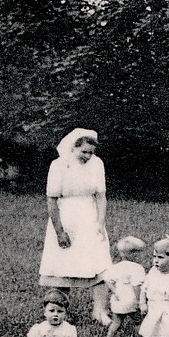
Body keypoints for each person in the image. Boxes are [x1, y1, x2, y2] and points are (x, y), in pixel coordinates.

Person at [39, 129, 113, 320]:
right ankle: (60, 310)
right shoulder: (59, 165)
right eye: (84, 152)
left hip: (89, 216)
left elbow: (101, 196)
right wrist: (59, 231)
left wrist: (100, 222)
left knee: (99, 262)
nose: (88, 156)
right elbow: (51, 200)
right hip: (67, 216)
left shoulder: (97, 164)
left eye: (91, 152)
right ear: (74, 147)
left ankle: (100, 310)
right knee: (64, 263)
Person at [100, 236, 147, 337]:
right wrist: (139, 301)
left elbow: (108, 280)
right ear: (133, 254)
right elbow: (136, 286)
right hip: (131, 299)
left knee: (116, 321)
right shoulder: (137, 268)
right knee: (137, 321)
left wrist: (115, 292)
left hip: (118, 299)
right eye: (139, 253)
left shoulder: (116, 267)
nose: (142, 256)